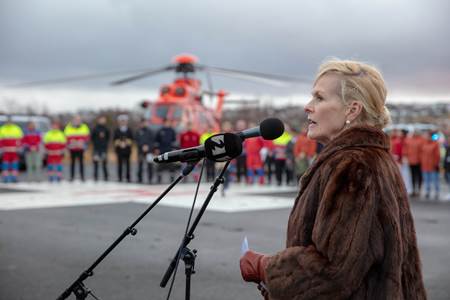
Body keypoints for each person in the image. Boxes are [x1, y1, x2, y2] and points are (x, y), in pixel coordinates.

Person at [240, 59, 426, 299]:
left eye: (319, 98)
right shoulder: (368, 157)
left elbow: (332, 271)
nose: (308, 107)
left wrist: (265, 267)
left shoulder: (353, 166)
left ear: (352, 110)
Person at [64, 115, 90, 181]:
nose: (77, 121)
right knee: (72, 163)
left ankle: (82, 177)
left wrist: (82, 142)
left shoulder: (84, 127)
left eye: (78, 120)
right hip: (72, 148)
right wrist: (72, 141)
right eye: (76, 119)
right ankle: (72, 177)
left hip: (81, 148)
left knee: (81, 163)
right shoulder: (68, 127)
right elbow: (66, 137)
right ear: (73, 120)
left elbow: (87, 137)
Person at [0, 116, 23, 183]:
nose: (9, 122)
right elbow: (0, 140)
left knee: (14, 165)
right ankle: (5, 178)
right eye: (8, 121)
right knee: (5, 165)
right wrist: (1, 148)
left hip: (14, 150)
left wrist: (19, 147)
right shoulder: (2, 129)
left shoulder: (17, 129)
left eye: (10, 121)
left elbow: (20, 139)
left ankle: (14, 178)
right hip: (5, 150)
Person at [154, 119, 178, 183]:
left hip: (170, 151)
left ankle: (172, 179)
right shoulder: (160, 131)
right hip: (162, 151)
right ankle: (159, 179)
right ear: (164, 123)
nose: (167, 123)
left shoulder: (172, 131)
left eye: (168, 122)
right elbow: (156, 141)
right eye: (166, 122)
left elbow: (174, 141)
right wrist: (156, 149)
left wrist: (174, 148)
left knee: (171, 165)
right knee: (160, 165)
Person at [420, 131, 440, 200]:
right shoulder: (424, 143)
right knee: (426, 180)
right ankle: (427, 191)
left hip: (433, 165)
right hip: (425, 165)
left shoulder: (435, 144)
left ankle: (436, 192)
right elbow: (421, 154)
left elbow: (437, 155)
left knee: (435, 180)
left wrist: (436, 164)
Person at [113, 114, 133, 182]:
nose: (123, 122)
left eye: (124, 121)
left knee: (128, 164)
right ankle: (120, 177)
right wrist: (120, 143)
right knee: (119, 164)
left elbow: (132, 140)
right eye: (121, 121)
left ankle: (128, 178)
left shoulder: (129, 130)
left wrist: (126, 143)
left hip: (127, 150)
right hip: (119, 150)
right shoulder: (116, 130)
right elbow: (114, 140)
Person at [404, 129, 424, 197]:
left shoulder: (421, 140)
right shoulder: (409, 140)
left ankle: (418, 189)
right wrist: (405, 155)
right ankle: (413, 190)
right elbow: (406, 148)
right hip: (411, 161)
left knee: (419, 176)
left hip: (419, 161)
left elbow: (423, 150)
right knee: (412, 176)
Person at [136, 118, 155, 184]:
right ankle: (139, 179)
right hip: (140, 151)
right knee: (140, 165)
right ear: (140, 123)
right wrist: (142, 146)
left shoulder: (150, 131)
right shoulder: (138, 131)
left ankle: (150, 179)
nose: (144, 124)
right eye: (142, 123)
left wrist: (148, 147)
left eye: (145, 122)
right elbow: (137, 141)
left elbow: (152, 141)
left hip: (149, 151)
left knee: (150, 165)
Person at [91, 116, 110, 181]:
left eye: (103, 120)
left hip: (104, 149)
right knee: (95, 163)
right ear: (98, 120)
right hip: (96, 148)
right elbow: (92, 138)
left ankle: (106, 177)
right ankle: (95, 177)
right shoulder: (95, 129)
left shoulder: (106, 129)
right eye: (101, 120)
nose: (102, 121)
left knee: (104, 163)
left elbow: (108, 138)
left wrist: (105, 145)